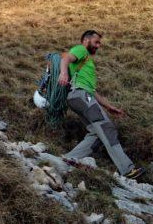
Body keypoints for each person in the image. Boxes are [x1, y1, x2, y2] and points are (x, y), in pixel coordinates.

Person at [58, 30, 146, 180]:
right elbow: (65, 58)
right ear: (86, 40)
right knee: (107, 128)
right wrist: (63, 73)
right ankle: (127, 170)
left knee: (97, 133)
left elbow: (92, 92)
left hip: (79, 96)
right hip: (81, 95)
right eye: (96, 42)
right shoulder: (81, 50)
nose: (98, 45)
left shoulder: (86, 63)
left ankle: (69, 158)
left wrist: (109, 106)